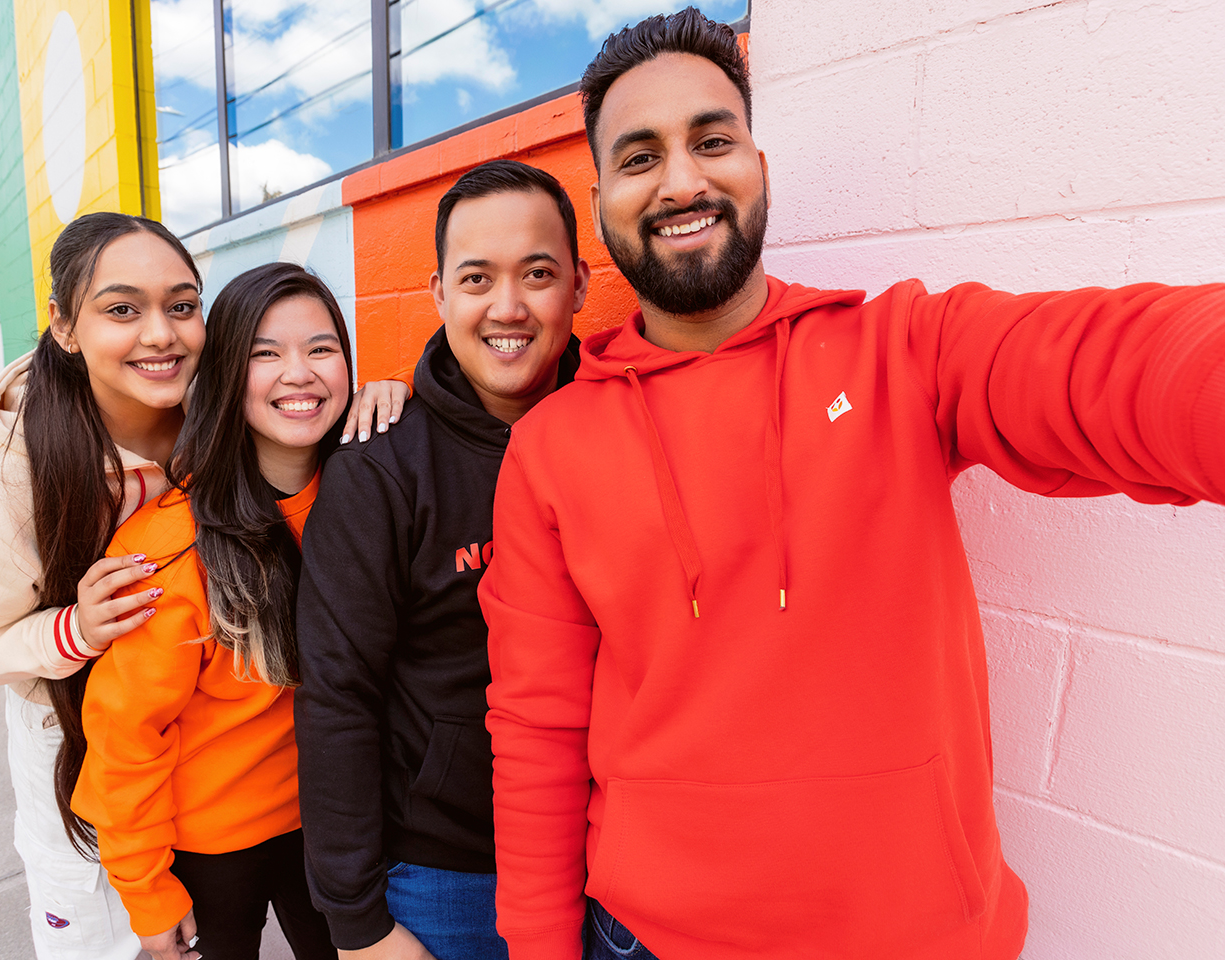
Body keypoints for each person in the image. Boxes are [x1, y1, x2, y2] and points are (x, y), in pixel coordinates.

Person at [478, 8, 1225, 960]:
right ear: (600, 201)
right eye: (639, 157)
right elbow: (537, 733)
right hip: (653, 941)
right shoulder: (549, 447)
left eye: (713, 140)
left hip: (919, 936)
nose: (682, 179)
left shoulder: (902, 354)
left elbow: (1113, 370)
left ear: (759, 165)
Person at [0, 212, 406, 960]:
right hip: (81, 736)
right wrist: (72, 630)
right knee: (107, 941)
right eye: (121, 308)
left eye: (181, 304)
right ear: (65, 326)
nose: (161, 333)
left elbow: (295, 385)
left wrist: (385, 395)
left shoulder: (213, 408)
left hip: (283, 785)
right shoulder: (5, 485)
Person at [293, 159, 591, 960]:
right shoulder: (381, 466)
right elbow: (336, 695)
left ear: (580, 286)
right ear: (437, 295)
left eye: (537, 274)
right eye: (476, 278)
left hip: (611, 855)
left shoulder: (621, 426)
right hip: (449, 877)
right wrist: (356, 924)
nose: (507, 307)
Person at [70, 263, 350, 960]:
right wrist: (146, 891)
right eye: (265, 353)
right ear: (225, 373)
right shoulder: (167, 548)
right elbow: (124, 738)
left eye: (322, 349)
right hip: (211, 840)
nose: (299, 374)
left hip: (331, 820)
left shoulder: (369, 495)